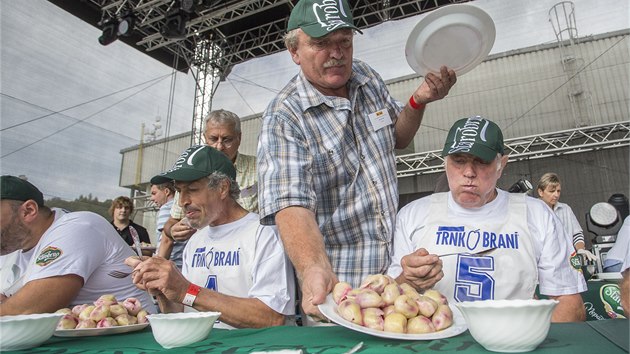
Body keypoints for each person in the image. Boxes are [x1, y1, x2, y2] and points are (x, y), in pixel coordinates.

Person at [256, 0, 457, 322]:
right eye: (321, 44)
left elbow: (398, 137)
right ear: (294, 51)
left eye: (344, 42)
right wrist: (313, 269)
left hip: (398, 276)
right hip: (342, 289)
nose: (336, 53)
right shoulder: (285, 116)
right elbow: (291, 206)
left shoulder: (365, 76)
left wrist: (418, 101)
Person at [387, 116, 587, 322]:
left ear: (501, 164)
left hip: (513, 342)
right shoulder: (413, 215)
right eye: (458, 160)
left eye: (481, 162)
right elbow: (390, 299)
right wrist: (410, 279)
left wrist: (530, 336)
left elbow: (569, 300)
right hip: (437, 343)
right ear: (445, 162)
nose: (468, 172)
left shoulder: (537, 214)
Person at [126, 146, 295, 329]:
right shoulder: (196, 240)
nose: (183, 201)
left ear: (222, 188)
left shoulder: (264, 233)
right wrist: (163, 290)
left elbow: (272, 317)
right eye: (179, 191)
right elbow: (183, 314)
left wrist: (186, 290)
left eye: (192, 189)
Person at [0, 175, 156, 315]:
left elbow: (26, 310)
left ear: (28, 210)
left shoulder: (76, 227)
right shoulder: (14, 250)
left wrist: (10, 303)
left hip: (132, 341)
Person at [162, 109, 258, 244]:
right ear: (204, 138)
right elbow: (172, 221)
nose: (219, 146)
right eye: (213, 139)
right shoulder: (190, 173)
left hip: (250, 246)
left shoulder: (260, 168)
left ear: (239, 138)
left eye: (227, 140)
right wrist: (172, 230)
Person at [536, 172, 597, 263]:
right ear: (541, 192)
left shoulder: (565, 209)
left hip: (567, 260)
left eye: (558, 191)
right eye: (552, 191)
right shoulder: (533, 209)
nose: (556, 195)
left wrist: (580, 249)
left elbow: (576, 234)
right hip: (543, 261)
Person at [149, 181, 185, 269]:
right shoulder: (185, 208)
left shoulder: (166, 208)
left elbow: (166, 241)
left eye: (154, 193)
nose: (151, 198)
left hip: (171, 265)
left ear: (166, 192)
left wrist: (156, 268)